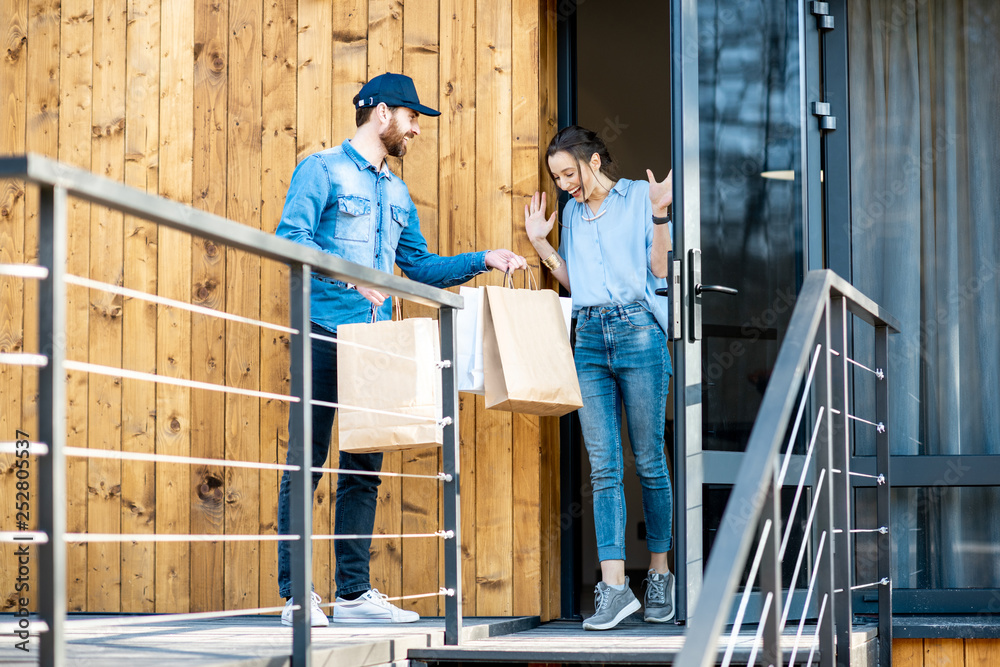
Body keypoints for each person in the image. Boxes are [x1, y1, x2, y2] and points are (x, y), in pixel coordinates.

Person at [275, 72, 527, 626]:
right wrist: (350, 277)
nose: (416, 130)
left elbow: (418, 267)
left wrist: (485, 258)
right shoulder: (322, 170)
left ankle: (353, 594)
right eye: (413, 119)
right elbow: (291, 239)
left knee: (363, 468)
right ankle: (297, 597)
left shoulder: (397, 193)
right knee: (307, 463)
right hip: (321, 329)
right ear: (383, 113)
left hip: (375, 342)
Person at [524, 125, 675, 630]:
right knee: (604, 466)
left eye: (569, 173)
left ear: (593, 162)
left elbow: (659, 269)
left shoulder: (636, 197)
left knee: (650, 460)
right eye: (556, 176)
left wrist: (659, 216)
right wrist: (541, 245)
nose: (564, 183)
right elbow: (579, 282)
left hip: (638, 332)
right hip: (587, 337)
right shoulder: (571, 213)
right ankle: (614, 587)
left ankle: (659, 573)